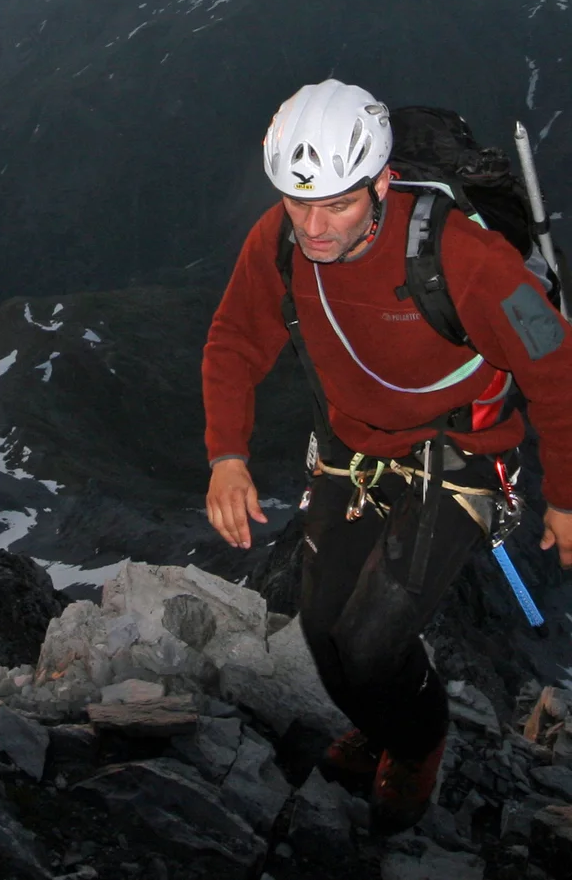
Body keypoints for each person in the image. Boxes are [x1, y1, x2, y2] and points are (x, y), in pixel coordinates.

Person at [202, 78, 572, 832]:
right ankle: (383, 720)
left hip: (460, 454)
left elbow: (556, 365)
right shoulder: (279, 237)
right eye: (300, 202)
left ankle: (418, 743)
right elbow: (235, 338)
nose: (315, 225)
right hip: (353, 451)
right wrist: (226, 455)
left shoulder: (462, 256)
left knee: (370, 643)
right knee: (321, 632)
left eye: (337, 202)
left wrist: (565, 496)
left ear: (380, 181)